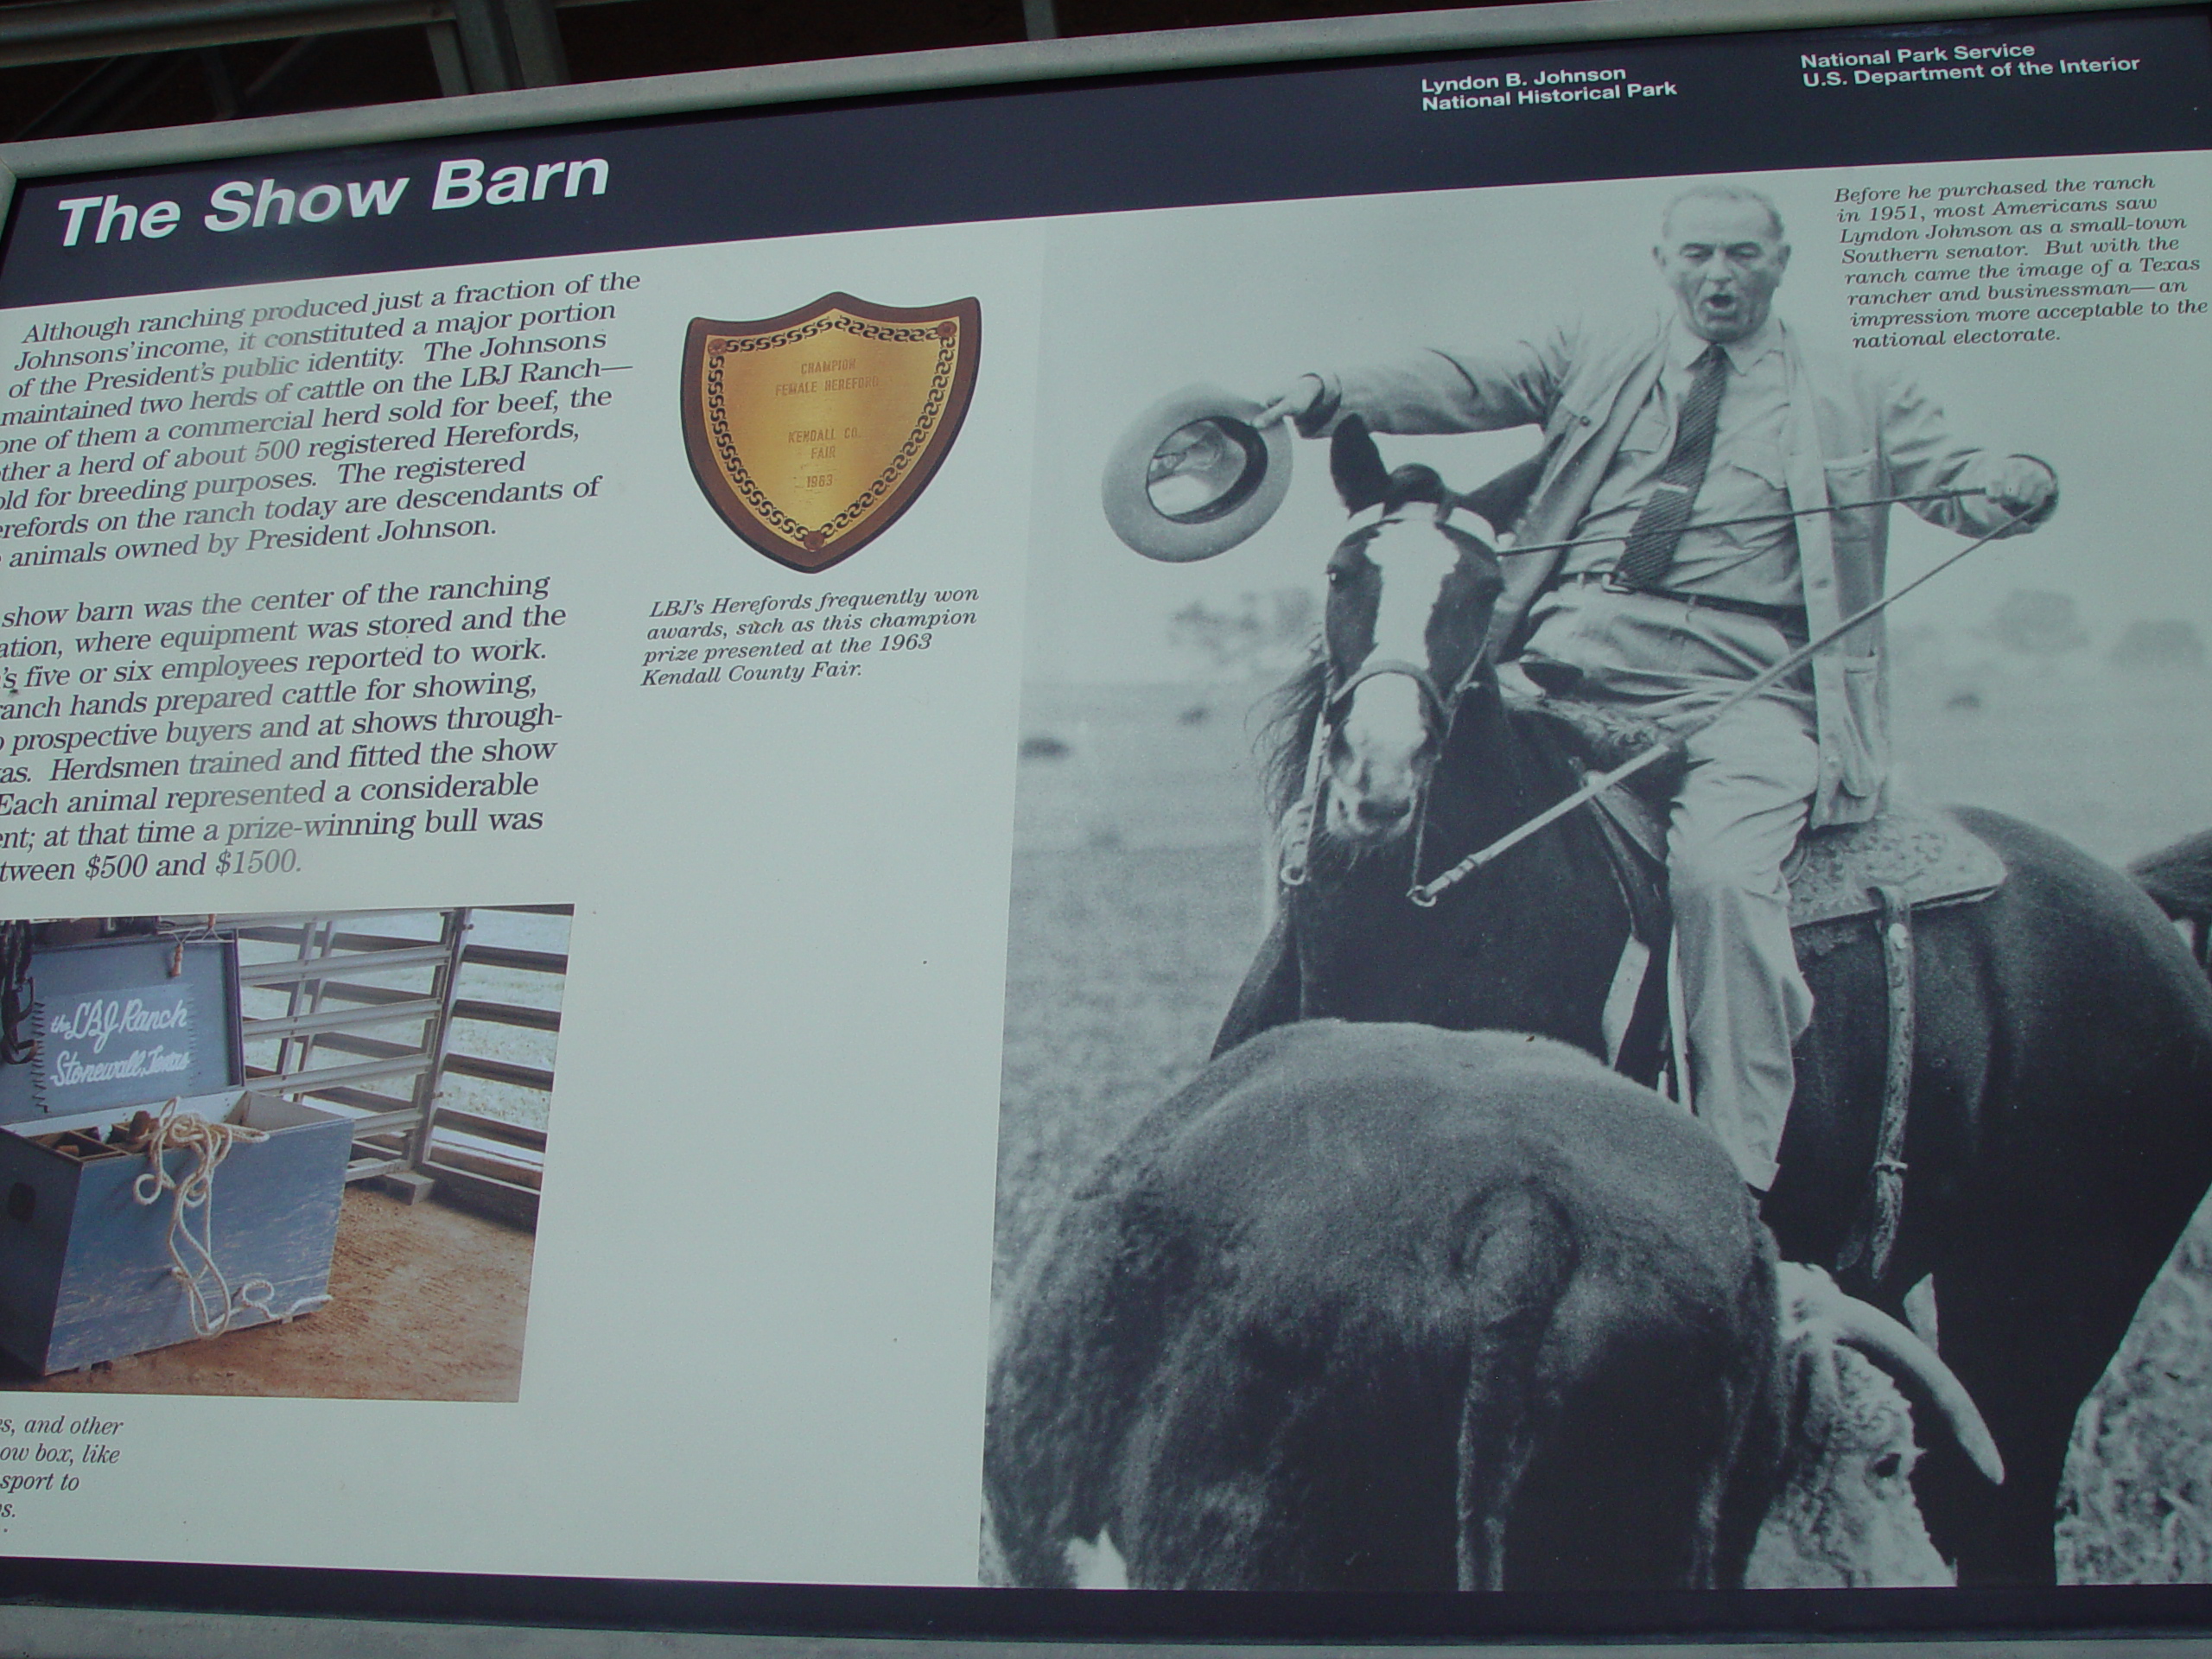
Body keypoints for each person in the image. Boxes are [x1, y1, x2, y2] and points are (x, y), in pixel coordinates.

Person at [1254, 181, 2057, 1192]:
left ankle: (1727, 1173)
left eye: (1740, 256)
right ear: (1663, 262)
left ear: (1779, 262)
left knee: (1720, 880)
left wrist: (2008, 478)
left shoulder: (1857, 391)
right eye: (1698, 256)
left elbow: (1957, 473)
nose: (1718, 276)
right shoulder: (1596, 354)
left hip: (1744, 696)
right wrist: (1333, 390)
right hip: (1558, 663)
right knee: (1342, 801)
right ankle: (1266, 1074)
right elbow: (1466, 379)